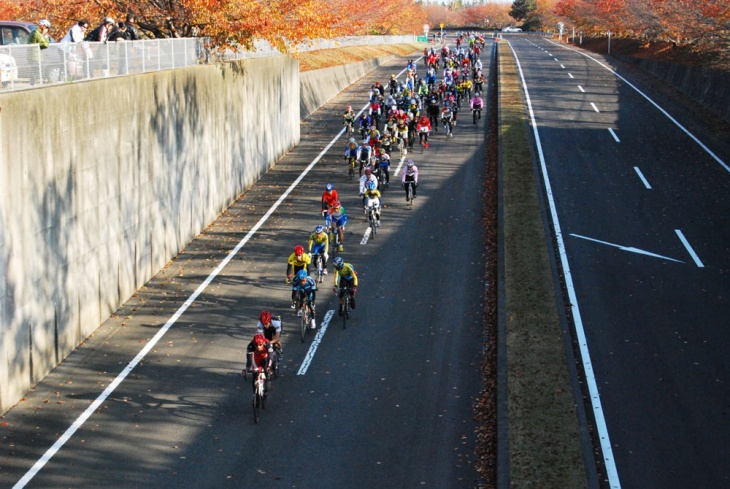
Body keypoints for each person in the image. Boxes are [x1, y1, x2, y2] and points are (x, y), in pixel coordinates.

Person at [28, 19, 51, 85]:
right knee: (37, 72)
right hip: (35, 56)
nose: (47, 30)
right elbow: (45, 45)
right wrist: (45, 36)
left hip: (35, 56)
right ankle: (36, 85)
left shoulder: (36, 32)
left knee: (35, 71)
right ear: (43, 26)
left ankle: (33, 85)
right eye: (47, 28)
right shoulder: (36, 33)